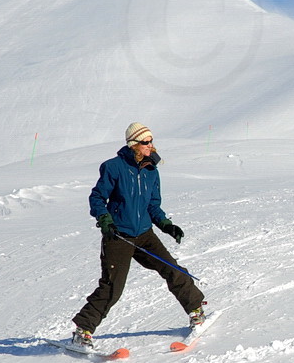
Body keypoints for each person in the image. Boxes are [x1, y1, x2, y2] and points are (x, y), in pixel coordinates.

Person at [70, 122, 206, 348]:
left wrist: (166, 224)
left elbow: (153, 205)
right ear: (134, 144)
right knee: (113, 288)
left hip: (144, 234)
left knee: (172, 269)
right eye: (145, 142)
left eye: (151, 141)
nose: (150, 145)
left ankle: (196, 311)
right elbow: (97, 198)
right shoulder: (113, 167)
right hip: (119, 236)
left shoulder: (152, 170)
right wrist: (105, 219)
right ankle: (82, 331)